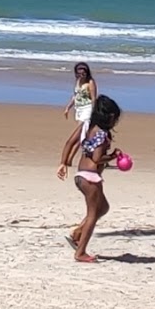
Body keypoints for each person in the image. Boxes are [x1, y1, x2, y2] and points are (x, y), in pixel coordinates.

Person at [56, 94, 122, 263]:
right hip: (91, 177)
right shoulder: (103, 135)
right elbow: (97, 159)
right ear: (111, 117)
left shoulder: (87, 126)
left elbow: (69, 143)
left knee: (103, 207)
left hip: (80, 175)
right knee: (93, 214)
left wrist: (64, 163)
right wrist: (113, 156)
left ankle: (78, 233)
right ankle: (80, 252)